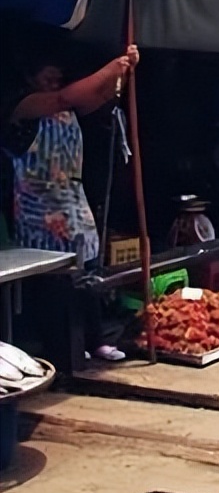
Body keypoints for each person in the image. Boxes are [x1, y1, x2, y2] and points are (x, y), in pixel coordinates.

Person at [2, 46, 140, 361]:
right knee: (54, 285)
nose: (54, 82)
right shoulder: (22, 106)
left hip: (73, 203)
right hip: (38, 210)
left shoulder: (70, 109)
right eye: (46, 76)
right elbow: (64, 98)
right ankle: (63, 350)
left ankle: (95, 340)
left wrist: (123, 71)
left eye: (57, 77)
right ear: (29, 76)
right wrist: (109, 70)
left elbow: (96, 97)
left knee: (88, 275)